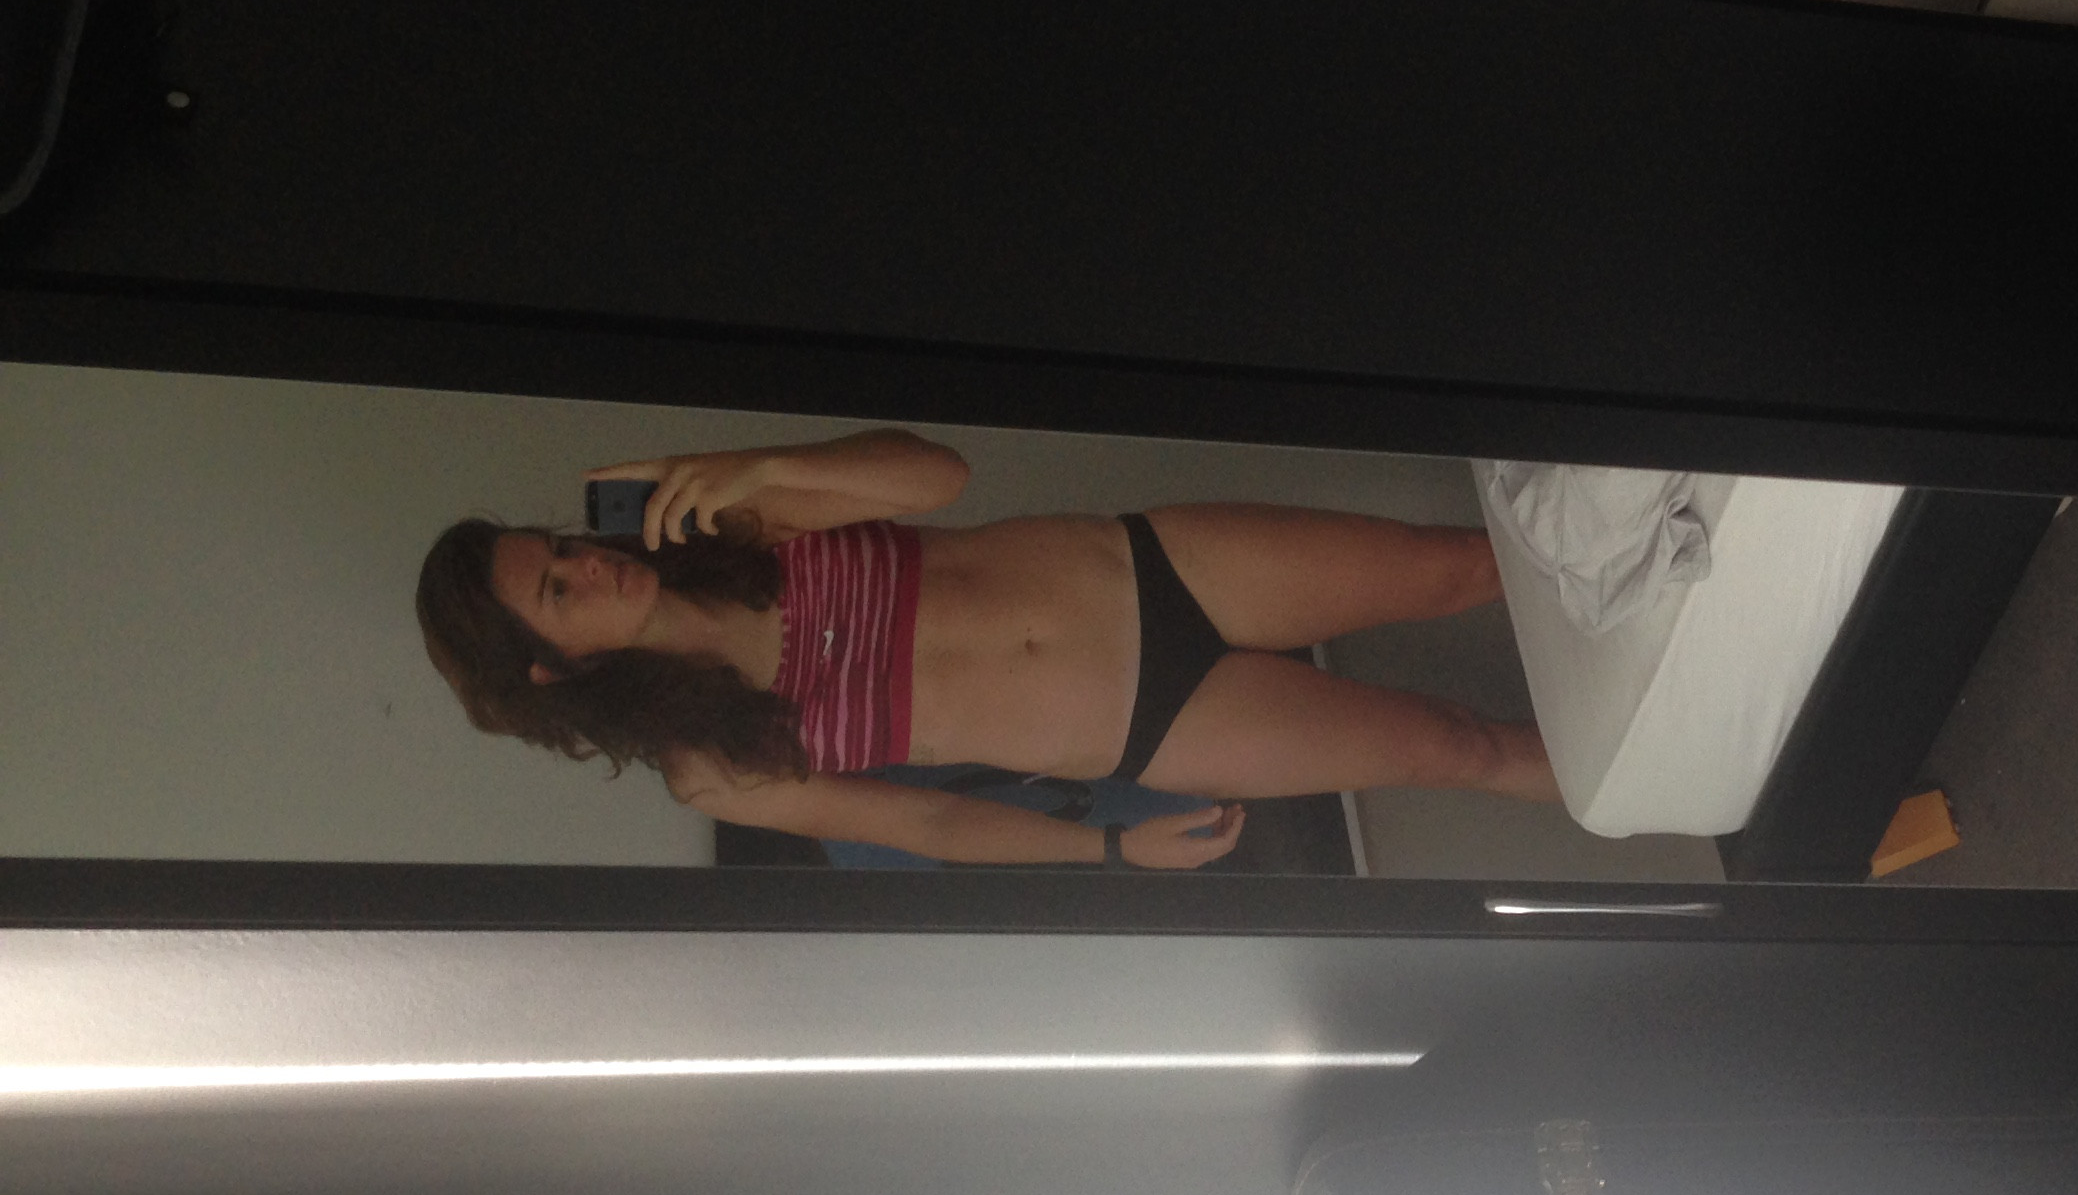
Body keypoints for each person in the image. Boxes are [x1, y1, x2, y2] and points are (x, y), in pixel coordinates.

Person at [415, 428, 1559, 867]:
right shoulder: (709, 766)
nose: (588, 564)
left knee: (1459, 565)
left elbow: (938, 476)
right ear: (549, 671)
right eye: (557, 591)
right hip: (1147, 726)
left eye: (560, 548)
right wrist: (1111, 855)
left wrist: (756, 467)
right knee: (1453, 747)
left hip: (1152, 567)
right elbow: (930, 825)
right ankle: (1663, 782)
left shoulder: (729, 526)